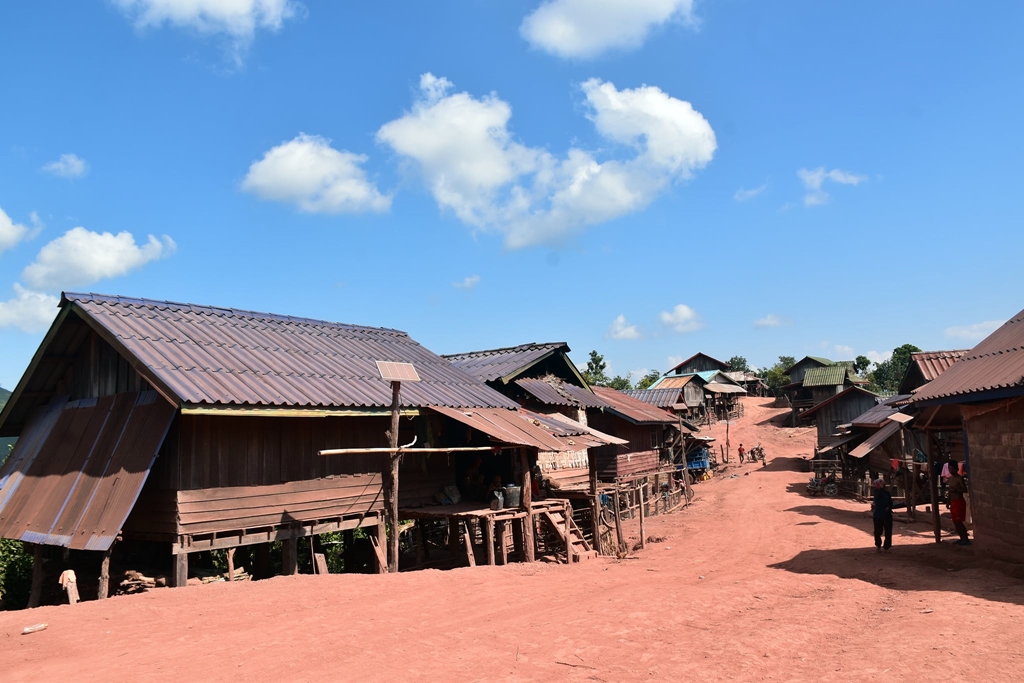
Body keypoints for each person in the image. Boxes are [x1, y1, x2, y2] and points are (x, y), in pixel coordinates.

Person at [946, 460, 971, 545]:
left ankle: (965, 539)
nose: (951, 470)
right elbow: (949, 491)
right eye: (949, 469)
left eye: (952, 468)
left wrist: (956, 490)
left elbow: (964, 489)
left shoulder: (959, 478)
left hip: (959, 501)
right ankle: (961, 538)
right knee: (955, 522)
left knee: (959, 521)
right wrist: (948, 501)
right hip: (953, 501)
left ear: (956, 469)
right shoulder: (950, 479)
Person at [872, 478, 893, 552]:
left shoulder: (887, 493)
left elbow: (890, 502)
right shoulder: (876, 492)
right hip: (878, 515)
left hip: (887, 514)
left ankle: (887, 546)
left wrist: (889, 507)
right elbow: (878, 496)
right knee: (877, 531)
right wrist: (880, 488)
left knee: (888, 531)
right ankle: (878, 545)